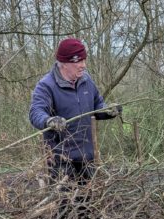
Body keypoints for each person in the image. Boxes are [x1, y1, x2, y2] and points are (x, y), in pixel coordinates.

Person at [29, 38, 122, 185]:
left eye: (84, 60)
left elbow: (97, 105)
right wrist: (49, 121)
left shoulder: (86, 80)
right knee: (65, 206)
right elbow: (36, 112)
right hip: (61, 162)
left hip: (87, 159)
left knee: (88, 205)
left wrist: (108, 110)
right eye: (78, 61)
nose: (83, 66)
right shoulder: (46, 86)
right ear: (64, 63)